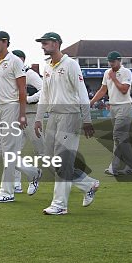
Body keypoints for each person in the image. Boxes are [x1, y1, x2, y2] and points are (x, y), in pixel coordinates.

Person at [34, 32, 98, 215]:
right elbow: (44, 95)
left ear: (56, 44)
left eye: (45, 43)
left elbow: (82, 92)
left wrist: (87, 119)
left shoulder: (70, 65)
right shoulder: (47, 67)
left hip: (70, 115)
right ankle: (88, 185)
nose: (42, 46)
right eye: (42, 43)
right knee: (52, 161)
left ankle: (59, 205)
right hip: (53, 116)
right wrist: (39, 118)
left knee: (62, 160)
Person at [0, 31, 41, 203]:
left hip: (12, 107)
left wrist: (21, 114)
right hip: (0, 108)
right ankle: (32, 172)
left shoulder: (14, 61)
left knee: (8, 151)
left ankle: (7, 192)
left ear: (6, 42)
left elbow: (22, 90)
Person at [89, 51, 132, 175]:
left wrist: (114, 78)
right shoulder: (107, 72)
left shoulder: (126, 72)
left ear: (119, 60)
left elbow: (124, 90)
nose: (111, 64)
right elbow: (103, 90)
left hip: (124, 106)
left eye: (113, 61)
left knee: (118, 135)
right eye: (109, 61)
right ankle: (116, 168)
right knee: (120, 138)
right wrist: (92, 101)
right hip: (113, 107)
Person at [12, 48, 44, 192]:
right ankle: (17, 184)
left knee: (42, 152)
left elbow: (44, 90)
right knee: (14, 151)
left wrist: (29, 99)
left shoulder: (30, 74)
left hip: (31, 115)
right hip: (17, 117)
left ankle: (68, 178)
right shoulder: (12, 75)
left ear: (22, 60)